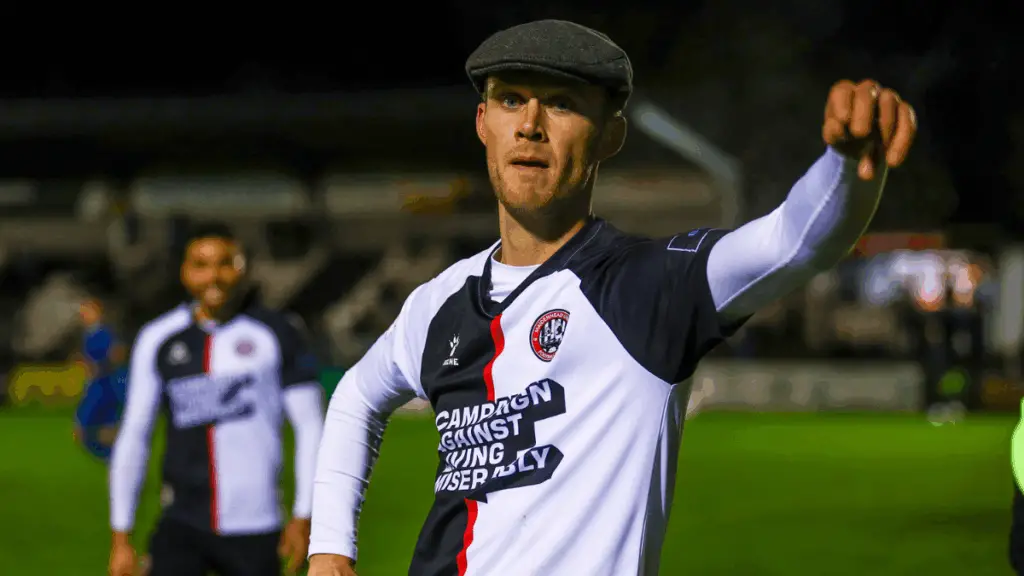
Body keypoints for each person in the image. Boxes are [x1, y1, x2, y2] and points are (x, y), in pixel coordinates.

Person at [307, 19, 917, 576]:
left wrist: (848, 160)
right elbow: (357, 397)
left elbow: (794, 242)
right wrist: (330, 550)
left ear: (610, 136)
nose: (530, 124)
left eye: (563, 104)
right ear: (482, 123)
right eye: (510, 99)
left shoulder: (649, 287)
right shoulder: (438, 302)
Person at [108, 223, 325, 576]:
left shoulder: (279, 332)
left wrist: (306, 515)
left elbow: (311, 427)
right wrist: (121, 536)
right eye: (201, 264)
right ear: (184, 271)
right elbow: (135, 433)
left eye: (225, 263)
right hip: (181, 522)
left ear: (244, 267)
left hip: (258, 525)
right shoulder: (158, 337)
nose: (214, 276)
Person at [74, 297, 129, 461]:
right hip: (98, 386)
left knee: (91, 431)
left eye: (88, 310)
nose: (83, 314)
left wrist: (100, 366)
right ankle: (116, 461)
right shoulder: (89, 334)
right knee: (92, 432)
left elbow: (117, 354)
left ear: (98, 313)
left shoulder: (104, 333)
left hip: (106, 387)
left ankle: (117, 461)